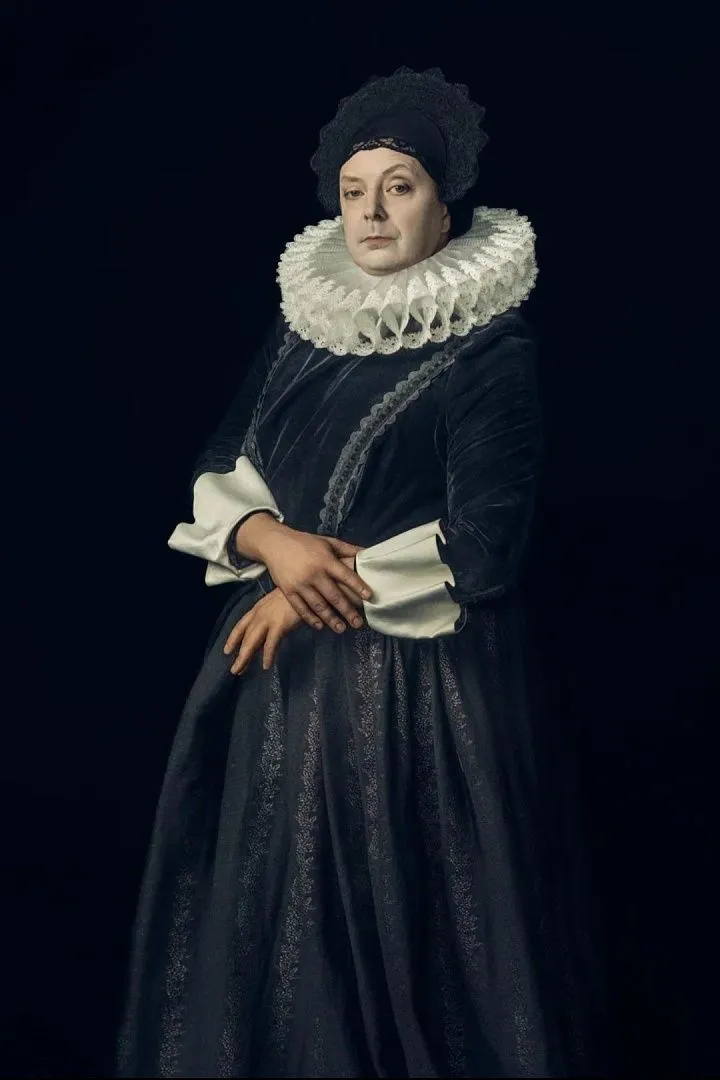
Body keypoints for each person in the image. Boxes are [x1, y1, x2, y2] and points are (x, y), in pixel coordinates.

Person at [116, 66, 591, 1078]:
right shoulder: (307, 326)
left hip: (425, 693)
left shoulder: (491, 349)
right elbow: (220, 459)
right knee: (272, 931)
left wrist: (304, 595)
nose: (371, 212)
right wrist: (270, 542)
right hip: (279, 689)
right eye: (353, 191)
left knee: (430, 940)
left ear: (443, 205)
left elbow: (486, 545)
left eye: (399, 187)